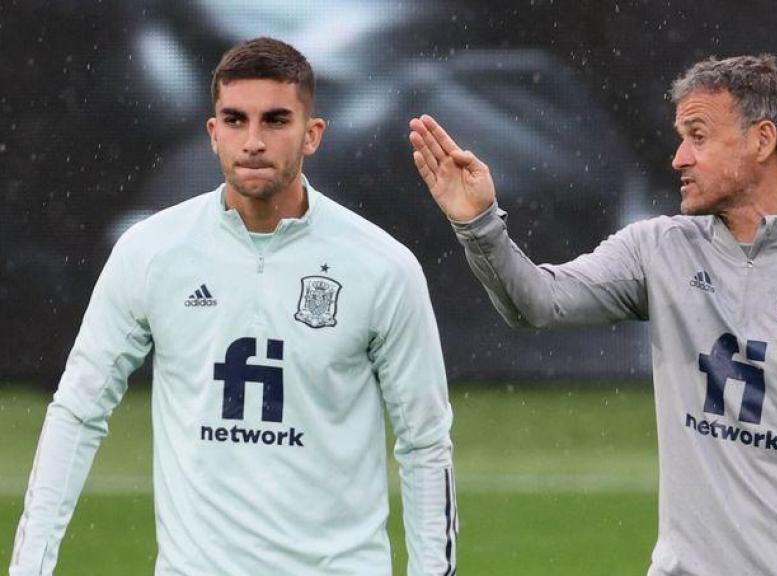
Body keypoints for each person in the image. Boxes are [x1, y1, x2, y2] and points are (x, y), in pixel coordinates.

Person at [409, 54, 777, 576]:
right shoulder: (659, 249)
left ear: (762, 140)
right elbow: (538, 303)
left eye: (698, 136)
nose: (679, 158)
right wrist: (480, 224)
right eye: (680, 138)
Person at [12, 37, 457, 576]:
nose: (253, 141)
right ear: (213, 133)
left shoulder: (383, 266)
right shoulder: (152, 252)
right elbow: (78, 411)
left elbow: (425, 442)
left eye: (275, 120)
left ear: (312, 134)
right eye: (235, 120)